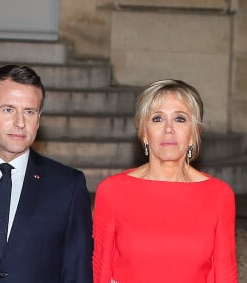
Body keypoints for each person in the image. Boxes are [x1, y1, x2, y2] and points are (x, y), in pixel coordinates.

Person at [0, 64, 93, 283]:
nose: (20, 123)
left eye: (29, 111)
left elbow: (77, 272)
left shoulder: (67, 186)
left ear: (39, 119)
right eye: (8, 109)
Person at [93, 79, 238, 283]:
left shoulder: (219, 195)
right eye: (157, 119)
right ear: (144, 133)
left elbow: (225, 275)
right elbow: (100, 270)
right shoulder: (112, 191)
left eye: (180, 119)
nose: (168, 128)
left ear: (193, 135)